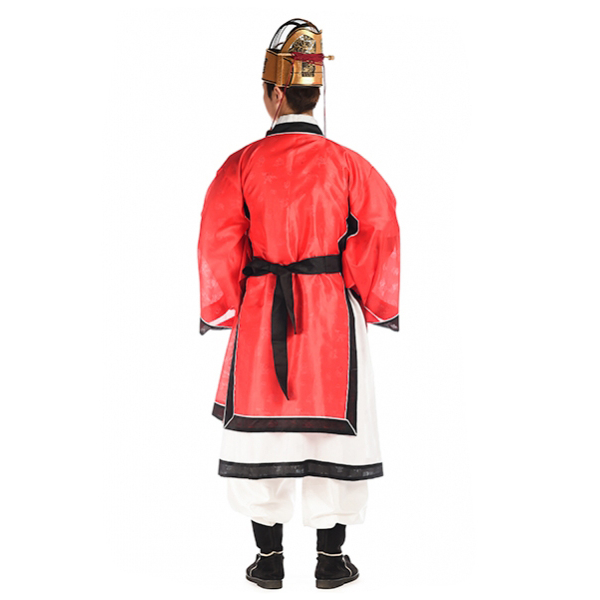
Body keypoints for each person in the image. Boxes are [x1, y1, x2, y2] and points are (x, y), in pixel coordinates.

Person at [197, 18, 400, 589]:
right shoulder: (349, 164)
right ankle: (331, 561)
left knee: (263, 429)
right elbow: (380, 231)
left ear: (273, 94)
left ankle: (268, 559)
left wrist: (227, 302)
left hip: (263, 306)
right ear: (316, 93)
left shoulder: (240, 165)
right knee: (332, 431)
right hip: (333, 310)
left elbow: (216, 241)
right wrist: (358, 291)